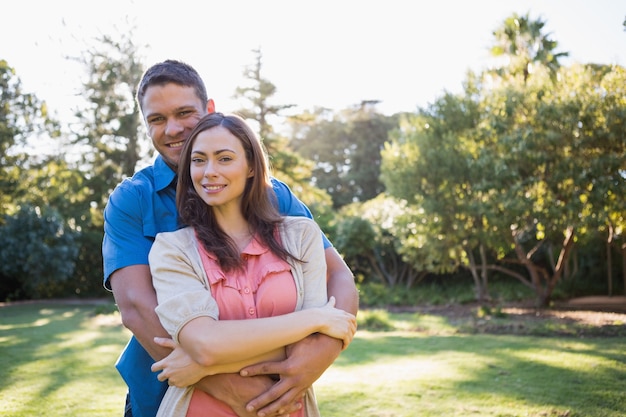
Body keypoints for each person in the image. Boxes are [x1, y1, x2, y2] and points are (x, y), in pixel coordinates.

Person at [102, 59, 359, 417]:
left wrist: (316, 357)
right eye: (157, 119)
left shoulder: (274, 195)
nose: (172, 129)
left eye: (183, 113)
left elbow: (338, 275)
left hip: (278, 394)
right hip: (165, 392)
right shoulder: (133, 199)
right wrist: (220, 382)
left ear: (209, 109)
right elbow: (138, 308)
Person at [148, 112, 357, 417]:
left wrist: (202, 363)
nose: (209, 172)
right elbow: (204, 343)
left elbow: (310, 347)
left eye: (224, 158)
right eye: (198, 160)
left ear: (250, 167)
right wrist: (314, 318)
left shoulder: (302, 236)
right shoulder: (172, 250)